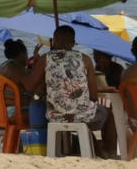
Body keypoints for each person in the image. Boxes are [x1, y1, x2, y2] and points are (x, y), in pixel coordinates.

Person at [27, 25, 117, 159]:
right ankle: (111, 155)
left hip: (55, 115)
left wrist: (47, 80)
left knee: (83, 124)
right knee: (109, 114)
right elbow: (93, 96)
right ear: (74, 43)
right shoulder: (85, 59)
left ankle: (97, 152)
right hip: (82, 114)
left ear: (55, 39)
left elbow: (29, 87)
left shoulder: (45, 59)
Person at [0, 39, 38, 118]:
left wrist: (35, 63)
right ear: (22, 54)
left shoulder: (0, 68)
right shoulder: (17, 68)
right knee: (45, 106)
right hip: (18, 114)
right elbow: (32, 86)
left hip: (0, 112)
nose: (27, 57)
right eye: (26, 54)